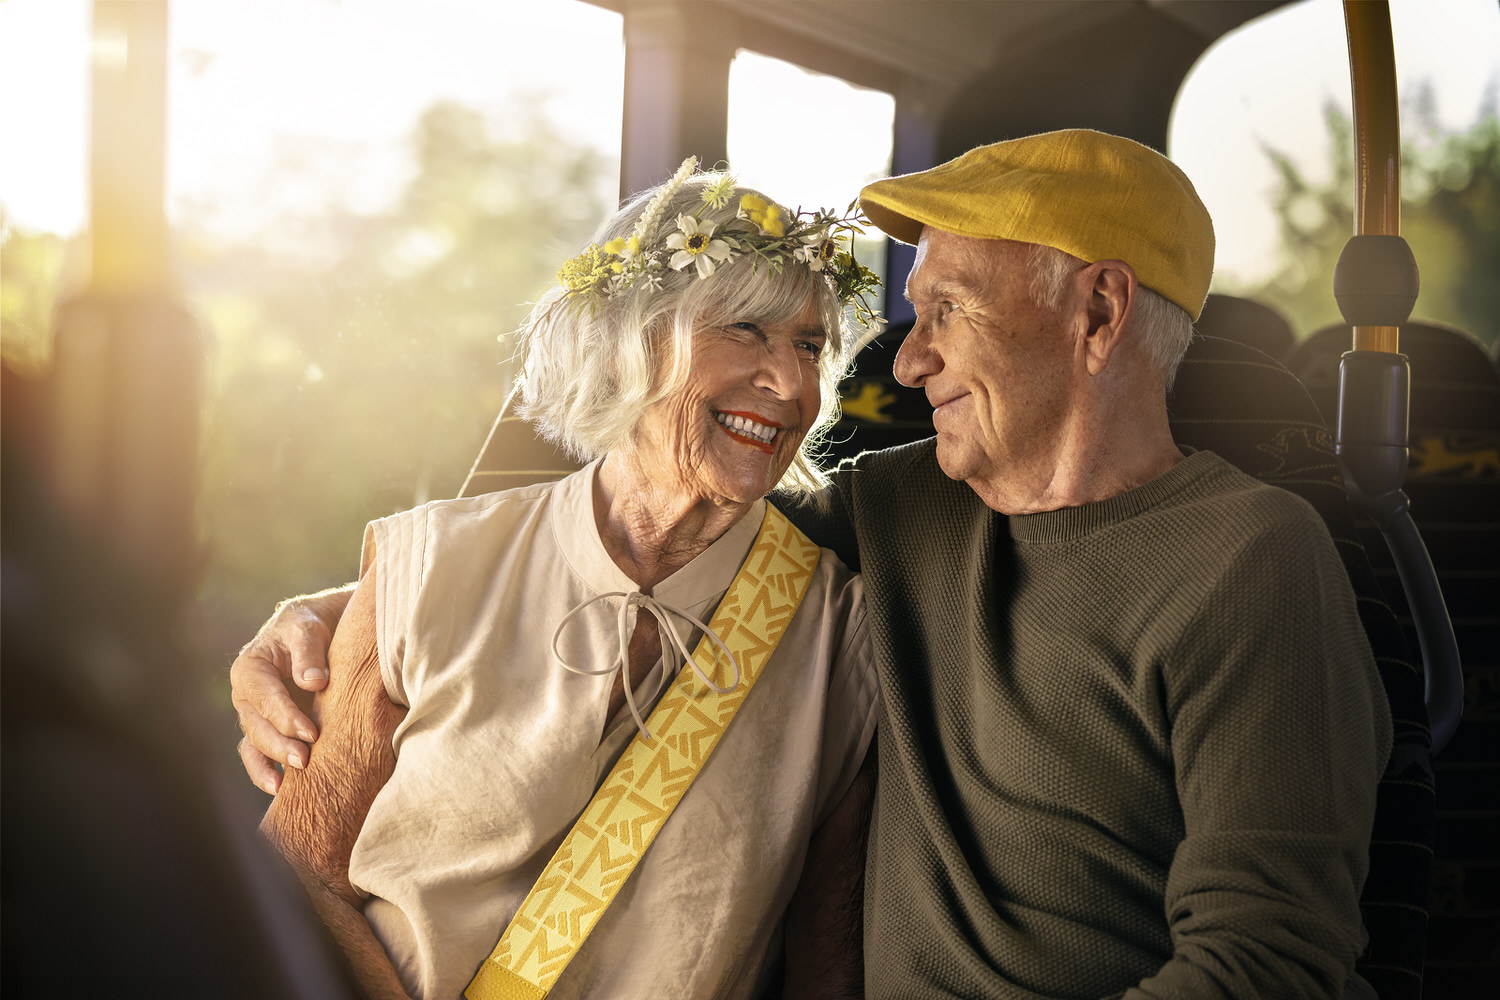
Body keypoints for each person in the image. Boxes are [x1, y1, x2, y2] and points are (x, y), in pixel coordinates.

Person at [236, 130, 1392, 999]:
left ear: (1099, 312)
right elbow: (649, 520)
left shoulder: (1256, 560)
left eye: (946, 308)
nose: (909, 355)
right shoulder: (896, 509)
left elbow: (1267, 962)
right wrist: (337, 614)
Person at [244, 159, 883, 1000]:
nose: (793, 383)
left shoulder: (846, 641)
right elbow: (300, 874)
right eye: (745, 330)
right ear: (632, 336)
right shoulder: (429, 565)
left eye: (809, 346)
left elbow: (824, 968)